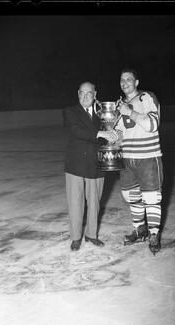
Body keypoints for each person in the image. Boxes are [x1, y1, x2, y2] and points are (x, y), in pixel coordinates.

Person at [114, 68, 163, 255]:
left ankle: (153, 234)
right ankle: (140, 229)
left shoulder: (147, 98)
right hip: (128, 158)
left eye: (129, 79)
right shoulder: (120, 104)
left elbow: (152, 124)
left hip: (148, 157)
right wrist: (113, 136)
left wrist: (129, 112)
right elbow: (121, 133)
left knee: (151, 197)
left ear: (136, 82)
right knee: (130, 195)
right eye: (121, 79)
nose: (124, 82)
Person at [63, 81, 116, 251]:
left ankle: (91, 234)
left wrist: (115, 134)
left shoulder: (104, 114)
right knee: (75, 202)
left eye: (89, 93)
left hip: (96, 163)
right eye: (82, 93)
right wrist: (101, 133)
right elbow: (76, 131)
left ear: (95, 94)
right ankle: (76, 237)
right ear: (78, 94)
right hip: (75, 164)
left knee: (94, 202)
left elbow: (113, 131)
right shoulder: (70, 111)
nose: (85, 96)